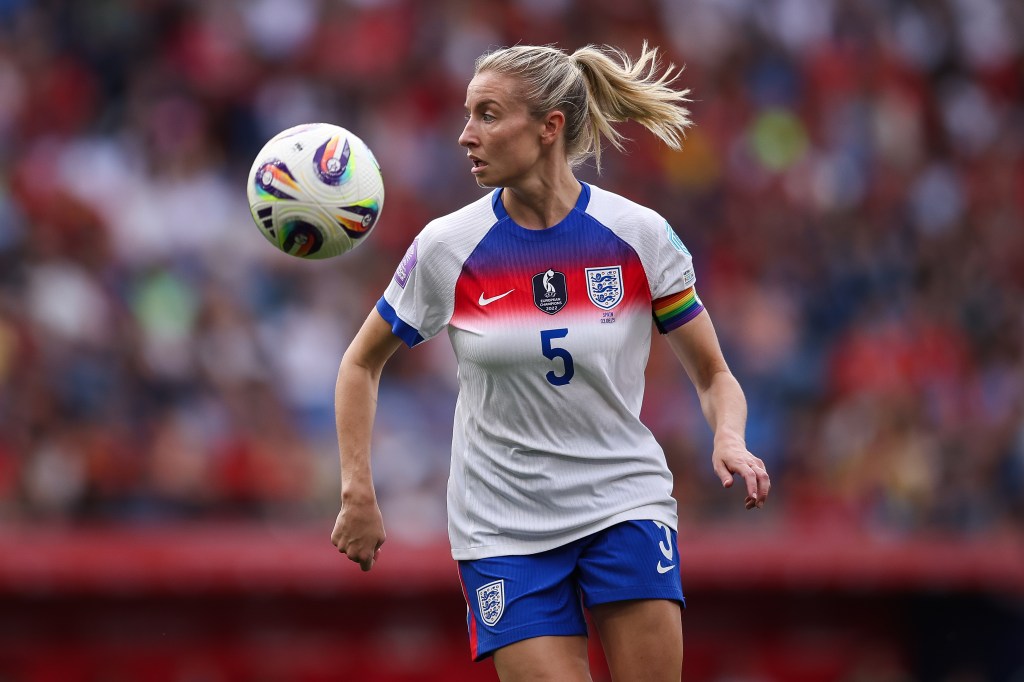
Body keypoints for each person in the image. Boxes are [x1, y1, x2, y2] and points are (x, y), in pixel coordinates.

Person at [331, 42, 771, 682]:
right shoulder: (447, 246)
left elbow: (714, 375)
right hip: (503, 526)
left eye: (487, 115)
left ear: (549, 127)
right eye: (466, 115)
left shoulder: (639, 234)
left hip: (622, 503)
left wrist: (728, 436)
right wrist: (357, 493)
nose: (465, 135)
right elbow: (360, 365)